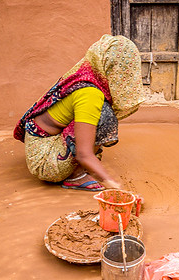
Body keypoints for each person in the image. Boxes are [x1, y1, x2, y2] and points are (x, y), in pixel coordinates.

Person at [13, 35, 145, 191]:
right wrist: (117, 187)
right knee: (104, 116)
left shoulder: (87, 76)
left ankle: (77, 168)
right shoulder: (91, 94)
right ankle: (76, 176)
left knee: (100, 114)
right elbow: (84, 155)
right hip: (44, 161)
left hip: (43, 142)